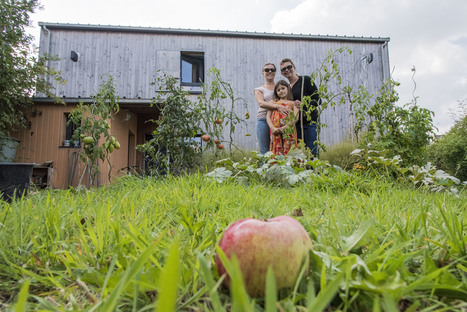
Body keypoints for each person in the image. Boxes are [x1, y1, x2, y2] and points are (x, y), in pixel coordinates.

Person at [279, 58, 321, 156]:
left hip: (308, 123)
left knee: (311, 152)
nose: (287, 70)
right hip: (295, 126)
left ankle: (313, 171)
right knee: (299, 154)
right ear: (282, 73)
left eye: (289, 67)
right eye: (283, 69)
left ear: (294, 68)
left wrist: (303, 103)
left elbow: (318, 100)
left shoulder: (305, 80)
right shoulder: (286, 88)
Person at [254, 63, 290, 154]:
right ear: (263, 73)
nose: (270, 71)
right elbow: (261, 103)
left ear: (275, 72)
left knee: (279, 149)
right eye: (267, 70)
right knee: (264, 150)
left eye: (272, 70)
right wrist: (277, 106)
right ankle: (264, 168)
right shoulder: (259, 89)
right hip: (263, 120)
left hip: (279, 121)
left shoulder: (280, 87)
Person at [267, 80, 299, 156]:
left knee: (289, 151)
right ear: (276, 93)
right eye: (278, 90)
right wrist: (272, 128)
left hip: (288, 131)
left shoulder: (293, 103)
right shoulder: (273, 103)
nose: (281, 91)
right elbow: (268, 117)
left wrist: (285, 127)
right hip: (276, 131)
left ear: (288, 88)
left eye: (283, 88)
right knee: (276, 151)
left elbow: (295, 118)